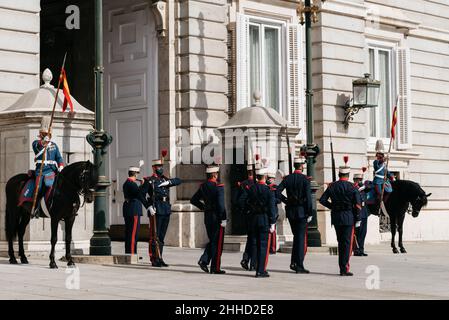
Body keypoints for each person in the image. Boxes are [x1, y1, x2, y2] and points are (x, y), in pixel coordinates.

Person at [319, 162, 362, 276]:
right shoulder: (352, 187)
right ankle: (344, 268)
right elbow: (358, 204)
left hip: (337, 217)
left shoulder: (332, 186)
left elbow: (322, 200)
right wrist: (358, 218)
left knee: (340, 242)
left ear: (339, 174)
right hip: (348, 217)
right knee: (347, 244)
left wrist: (333, 206)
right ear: (348, 175)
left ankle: (341, 267)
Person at [142, 159, 182, 267]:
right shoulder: (149, 181)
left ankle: (160, 257)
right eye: (158, 167)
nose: (160, 168)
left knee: (162, 236)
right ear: (154, 168)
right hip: (156, 209)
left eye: (161, 166)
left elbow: (179, 180)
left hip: (165, 209)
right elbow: (140, 195)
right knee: (155, 236)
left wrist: (169, 182)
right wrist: (148, 206)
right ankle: (154, 258)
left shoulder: (165, 179)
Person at [276, 157, 312, 274]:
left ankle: (293, 262)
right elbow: (308, 198)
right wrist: (310, 213)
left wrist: (286, 200)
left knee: (297, 237)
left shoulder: (288, 179)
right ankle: (299, 265)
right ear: (301, 166)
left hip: (291, 211)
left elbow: (277, 192)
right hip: (301, 212)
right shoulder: (305, 179)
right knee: (300, 239)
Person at [239, 167, 277, 278]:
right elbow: (271, 208)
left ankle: (254, 265)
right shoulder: (268, 190)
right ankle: (260, 270)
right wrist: (272, 222)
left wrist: (247, 211)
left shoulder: (251, 189)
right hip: (264, 219)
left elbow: (241, 201)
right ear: (264, 177)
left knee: (254, 243)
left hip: (253, 219)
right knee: (263, 245)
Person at [190, 165, 227, 275]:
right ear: (215, 174)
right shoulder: (218, 187)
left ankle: (205, 261)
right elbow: (221, 205)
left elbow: (193, 200)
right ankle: (214, 267)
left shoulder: (203, 186)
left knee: (213, 241)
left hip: (208, 217)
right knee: (217, 242)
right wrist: (223, 218)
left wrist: (203, 207)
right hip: (217, 218)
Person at [26, 116, 64, 218]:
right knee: (39, 187)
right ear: (41, 134)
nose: (47, 136)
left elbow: (59, 158)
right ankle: (36, 208)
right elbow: (37, 146)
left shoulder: (54, 145)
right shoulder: (36, 143)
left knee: (57, 185)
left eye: (48, 134)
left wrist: (61, 166)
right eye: (45, 134)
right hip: (41, 171)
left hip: (52, 170)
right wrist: (43, 142)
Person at [236, 164, 257, 271]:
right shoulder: (254, 184)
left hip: (248, 215)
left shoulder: (243, 184)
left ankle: (245, 259)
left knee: (250, 239)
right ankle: (253, 263)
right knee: (254, 240)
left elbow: (238, 200)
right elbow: (241, 200)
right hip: (254, 215)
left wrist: (244, 211)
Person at [123, 166, 147, 255]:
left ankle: (128, 253)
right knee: (133, 234)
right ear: (136, 174)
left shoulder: (127, 183)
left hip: (128, 209)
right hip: (134, 210)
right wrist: (143, 185)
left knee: (129, 233)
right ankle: (132, 254)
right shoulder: (132, 184)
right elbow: (140, 195)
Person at [373, 140, 395, 204]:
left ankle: (384, 204)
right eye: (379, 154)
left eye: (382, 154)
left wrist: (392, 176)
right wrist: (386, 158)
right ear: (377, 155)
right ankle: (378, 206)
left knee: (389, 191)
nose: (380, 156)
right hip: (377, 181)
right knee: (379, 194)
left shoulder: (384, 164)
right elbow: (380, 163)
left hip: (384, 180)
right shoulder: (376, 162)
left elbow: (387, 172)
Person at [353, 173, 369, 256]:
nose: (360, 181)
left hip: (364, 214)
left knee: (363, 233)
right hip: (356, 214)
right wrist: (356, 188)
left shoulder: (363, 189)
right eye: (358, 180)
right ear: (354, 180)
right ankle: (356, 250)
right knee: (357, 233)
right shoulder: (353, 188)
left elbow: (370, 187)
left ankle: (361, 249)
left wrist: (363, 186)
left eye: (361, 180)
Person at [267, 172, 280, 254]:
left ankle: (273, 247)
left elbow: (279, 199)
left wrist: (272, 200)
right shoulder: (265, 187)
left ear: (274, 179)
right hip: (267, 211)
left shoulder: (276, 188)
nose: (269, 180)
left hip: (274, 210)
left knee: (273, 230)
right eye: (268, 178)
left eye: (271, 178)